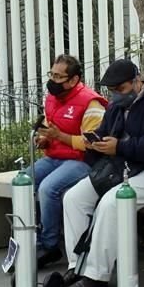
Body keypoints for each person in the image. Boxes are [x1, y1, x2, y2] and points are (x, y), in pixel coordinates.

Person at [56, 58, 144, 287]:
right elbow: (105, 133)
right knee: (73, 197)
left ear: (137, 81)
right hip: (119, 168)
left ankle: (96, 276)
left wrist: (120, 148)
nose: (116, 95)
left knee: (111, 202)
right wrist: (95, 142)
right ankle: (78, 266)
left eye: (121, 89)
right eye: (112, 91)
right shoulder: (115, 106)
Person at [33, 55, 107, 267]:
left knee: (48, 188)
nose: (52, 80)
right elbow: (50, 129)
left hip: (82, 161)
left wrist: (60, 137)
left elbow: (94, 142)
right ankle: (29, 240)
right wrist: (44, 139)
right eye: (51, 74)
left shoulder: (91, 102)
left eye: (58, 76)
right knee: (22, 181)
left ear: (73, 80)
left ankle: (50, 246)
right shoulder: (52, 99)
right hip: (54, 157)